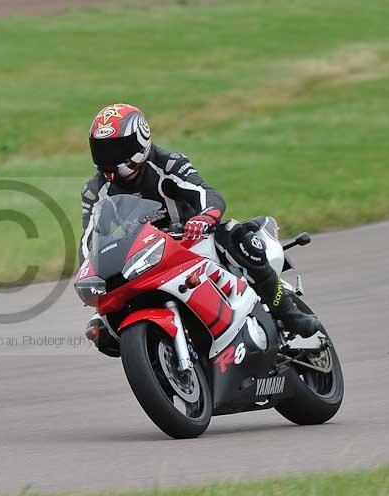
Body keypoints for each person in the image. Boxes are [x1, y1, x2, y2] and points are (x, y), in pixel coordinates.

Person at [81, 103, 319, 338]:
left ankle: (287, 311)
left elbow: (206, 193)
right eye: (102, 150)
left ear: (141, 140)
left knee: (235, 235)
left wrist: (204, 217)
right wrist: (92, 270)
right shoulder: (95, 191)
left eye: (117, 148)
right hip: (142, 256)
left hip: (190, 240)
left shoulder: (168, 163)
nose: (109, 158)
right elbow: (89, 240)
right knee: (101, 332)